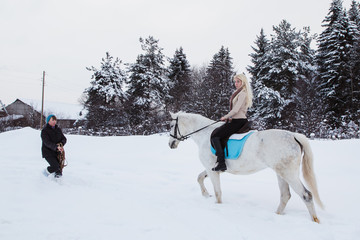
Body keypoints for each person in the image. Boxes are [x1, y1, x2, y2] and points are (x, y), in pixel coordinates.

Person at [211, 74, 253, 172]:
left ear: (243, 82)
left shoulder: (242, 93)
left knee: (215, 136)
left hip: (238, 121)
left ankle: (221, 163)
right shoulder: (238, 93)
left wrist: (225, 117)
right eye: (235, 81)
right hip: (235, 120)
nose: (236, 83)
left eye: (238, 81)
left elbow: (236, 110)